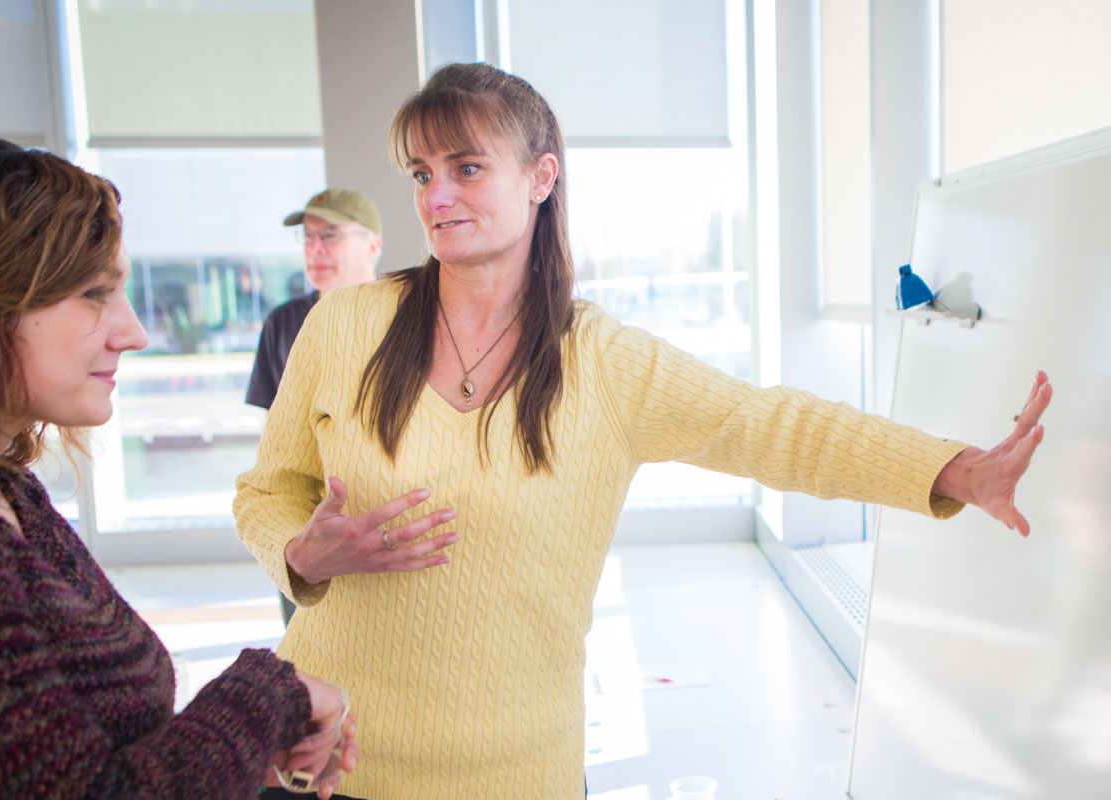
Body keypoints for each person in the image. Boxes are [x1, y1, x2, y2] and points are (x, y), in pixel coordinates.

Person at [234, 63, 1051, 800]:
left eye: (467, 167)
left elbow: (772, 426)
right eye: (421, 174)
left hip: (518, 775)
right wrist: (300, 555)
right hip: (326, 762)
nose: (436, 197)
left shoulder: (604, 361)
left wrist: (951, 470)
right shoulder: (343, 326)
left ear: (541, 177)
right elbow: (267, 493)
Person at [0, 135, 357, 798]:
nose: (134, 333)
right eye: (95, 293)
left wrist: (222, 751)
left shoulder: (5, 493)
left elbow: (81, 747)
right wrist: (267, 695)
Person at [245, 188, 383, 411]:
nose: (314, 248)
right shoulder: (281, 322)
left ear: (373, 246)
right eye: (308, 235)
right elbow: (271, 422)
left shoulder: (399, 314)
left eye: (330, 235)